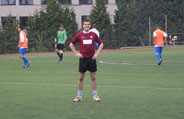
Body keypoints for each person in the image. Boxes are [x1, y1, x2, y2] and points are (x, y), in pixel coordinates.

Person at [69, 19, 104, 102]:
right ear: (83, 25)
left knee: (93, 77)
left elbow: (101, 44)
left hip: (91, 59)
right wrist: (76, 53)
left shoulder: (94, 34)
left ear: (90, 25)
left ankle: (95, 95)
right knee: (80, 78)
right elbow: (71, 44)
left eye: (88, 24)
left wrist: (97, 54)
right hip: (83, 60)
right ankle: (79, 96)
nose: (87, 25)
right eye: (85, 24)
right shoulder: (79, 35)